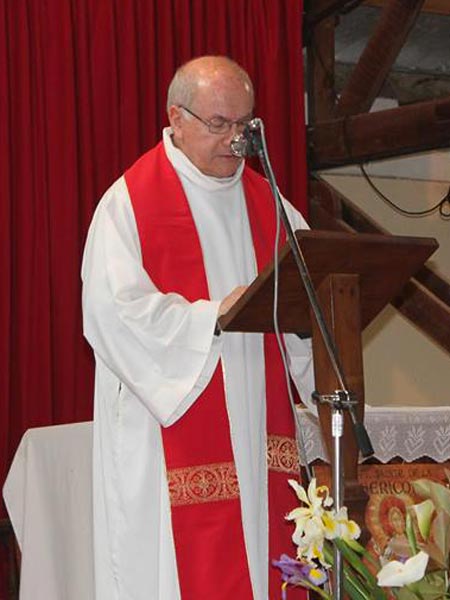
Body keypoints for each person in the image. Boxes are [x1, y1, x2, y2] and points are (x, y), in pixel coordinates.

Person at [82, 55, 314, 600]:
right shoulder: (129, 204)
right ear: (176, 118)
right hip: (167, 434)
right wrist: (211, 317)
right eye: (219, 123)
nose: (235, 140)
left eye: (245, 125)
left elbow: (312, 300)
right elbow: (113, 314)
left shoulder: (272, 207)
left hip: (259, 429)